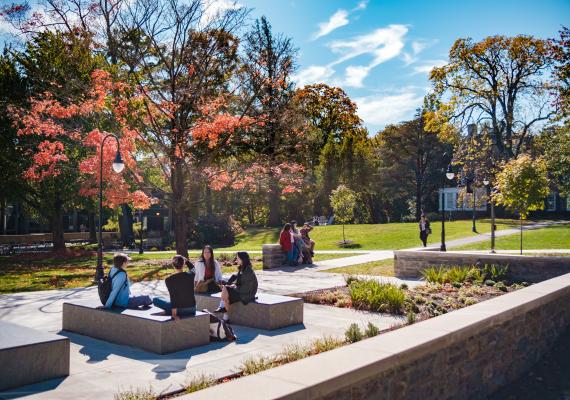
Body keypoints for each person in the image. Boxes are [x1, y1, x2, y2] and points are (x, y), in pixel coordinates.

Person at [215, 252, 258, 322]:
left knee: (226, 290)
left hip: (247, 294)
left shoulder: (248, 271)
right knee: (226, 293)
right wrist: (233, 285)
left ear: (243, 259)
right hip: (242, 291)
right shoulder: (242, 268)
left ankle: (222, 307)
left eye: (238, 258)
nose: (236, 260)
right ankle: (225, 317)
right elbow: (240, 282)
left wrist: (234, 287)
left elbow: (247, 287)